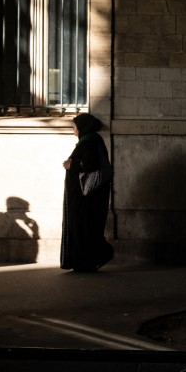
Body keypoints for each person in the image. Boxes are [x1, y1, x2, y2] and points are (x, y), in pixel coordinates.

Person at [61, 113, 114, 272]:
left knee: (84, 226)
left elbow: (90, 164)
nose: (73, 129)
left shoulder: (89, 142)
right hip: (86, 196)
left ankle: (91, 260)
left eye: (75, 126)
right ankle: (85, 262)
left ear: (82, 127)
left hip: (86, 197)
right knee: (85, 226)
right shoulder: (91, 140)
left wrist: (72, 164)